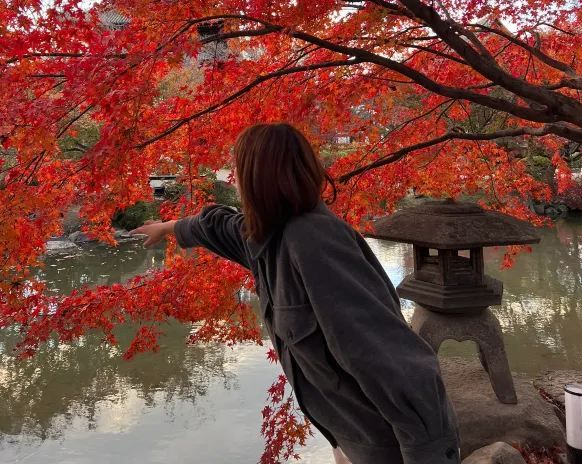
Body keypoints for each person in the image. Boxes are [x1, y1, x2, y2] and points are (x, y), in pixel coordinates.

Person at [133, 123, 461, 464]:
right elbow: (218, 226)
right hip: (350, 435)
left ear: (257, 177)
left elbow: (391, 360)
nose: (234, 177)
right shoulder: (265, 236)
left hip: (388, 446)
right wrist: (170, 228)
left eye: (238, 169)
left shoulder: (314, 242)